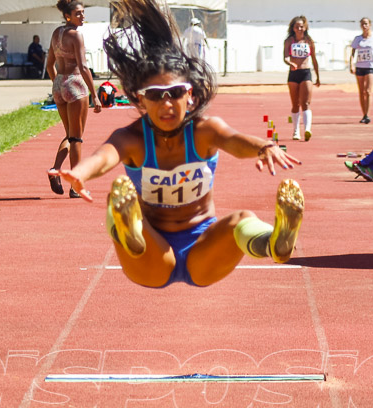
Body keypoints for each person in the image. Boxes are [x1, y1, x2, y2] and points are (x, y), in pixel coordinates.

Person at [53, 0, 304, 289]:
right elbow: (104, 156)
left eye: (175, 93)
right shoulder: (132, 138)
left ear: (191, 96)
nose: (167, 103)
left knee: (241, 220)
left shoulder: (204, 131)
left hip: (203, 252)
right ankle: (131, 230)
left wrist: (264, 147)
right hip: (152, 254)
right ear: (139, 99)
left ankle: (275, 243)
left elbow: (234, 140)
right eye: (156, 95)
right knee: (118, 201)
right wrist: (80, 174)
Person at [46, 1, 101, 197]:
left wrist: (58, 84)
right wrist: (95, 94)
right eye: (78, 13)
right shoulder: (76, 35)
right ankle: (76, 186)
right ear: (68, 16)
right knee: (76, 137)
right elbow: (83, 66)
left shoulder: (56, 33)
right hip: (75, 83)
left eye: (83, 13)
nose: (82, 16)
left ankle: (55, 169)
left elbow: (49, 64)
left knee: (70, 134)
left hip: (59, 84)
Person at [284, 16, 320, 141]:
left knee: (305, 103)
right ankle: (296, 131)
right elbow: (285, 57)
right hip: (293, 74)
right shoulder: (289, 41)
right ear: (293, 28)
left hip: (306, 73)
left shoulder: (309, 41)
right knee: (295, 104)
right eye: (297, 26)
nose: (299, 29)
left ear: (305, 28)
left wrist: (318, 76)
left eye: (301, 26)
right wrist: (290, 63)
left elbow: (314, 59)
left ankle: (307, 129)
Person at [349, 17, 373, 124]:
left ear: (370, 25)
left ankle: (367, 114)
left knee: (368, 91)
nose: (364, 26)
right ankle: (364, 114)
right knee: (361, 91)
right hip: (359, 67)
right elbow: (352, 53)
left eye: (366, 24)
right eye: (362, 24)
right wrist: (351, 65)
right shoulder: (357, 39)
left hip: (370, 67)